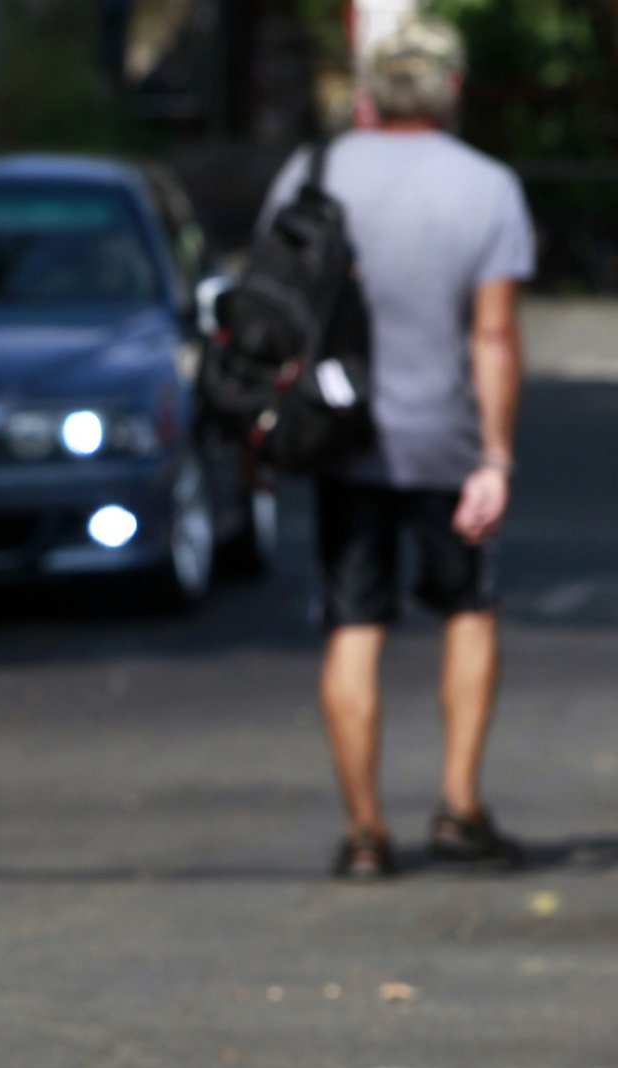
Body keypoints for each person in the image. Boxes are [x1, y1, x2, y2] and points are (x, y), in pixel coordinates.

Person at [258, 17, 534, 879]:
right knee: (467, 610)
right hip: (445, 438)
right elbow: (492, 337)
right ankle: (459, 806)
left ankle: (365, 833)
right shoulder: (485, 186)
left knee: (352, 623)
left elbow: (268, 312)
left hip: (341, 436)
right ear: (453, 89)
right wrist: (495, 456)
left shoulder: (312, 171)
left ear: (372, 91)